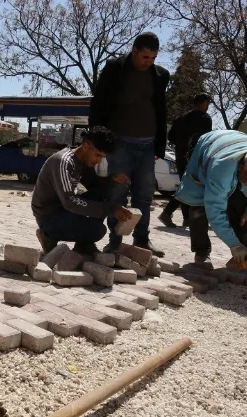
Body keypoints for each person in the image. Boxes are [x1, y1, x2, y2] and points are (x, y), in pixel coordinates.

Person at [89, 32, 170, 257]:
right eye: (145, 57)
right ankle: (114, 240)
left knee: (144, 194)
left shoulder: (161, 75)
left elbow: (161, 110)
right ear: (134, 50)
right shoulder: (114, 68)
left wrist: (159, 147)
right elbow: (98, 104)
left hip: (148, 144)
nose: (148, 62)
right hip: (120, 142)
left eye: (153, 58)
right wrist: (98, 140)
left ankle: (142, 239)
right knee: (117, 192)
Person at [174, 130, 247, 270]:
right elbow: (215, 211)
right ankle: (202, 253)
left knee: (243, 207)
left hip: (234, 147)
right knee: (199, 208)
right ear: (241, 168)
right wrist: (233, 244)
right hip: (209, 146)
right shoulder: (221, 169)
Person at [32, 126, 133, 256]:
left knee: (103, 191)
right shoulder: (63, 161)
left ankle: (84, 245)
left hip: (64, 211)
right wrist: (111, 209)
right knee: (97, 230)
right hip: (49, 217)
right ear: (86, 146)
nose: (99, 161)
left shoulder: (83, 161)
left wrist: (113, 180)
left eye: (103, 157)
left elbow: (95, 186)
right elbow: (69, 201)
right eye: (97, 155)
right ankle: (48, 236)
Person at [158, 92, 213, 228]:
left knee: (186, 184)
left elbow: (171, 137)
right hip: (195, 157)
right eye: (208, 103)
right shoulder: (205, 118)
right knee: (189, 186)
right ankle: (168, 213)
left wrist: (181, 144)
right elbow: (206, 140)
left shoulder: (181, 118)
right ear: (204, 103)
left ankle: (186, 218)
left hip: (180, 156)